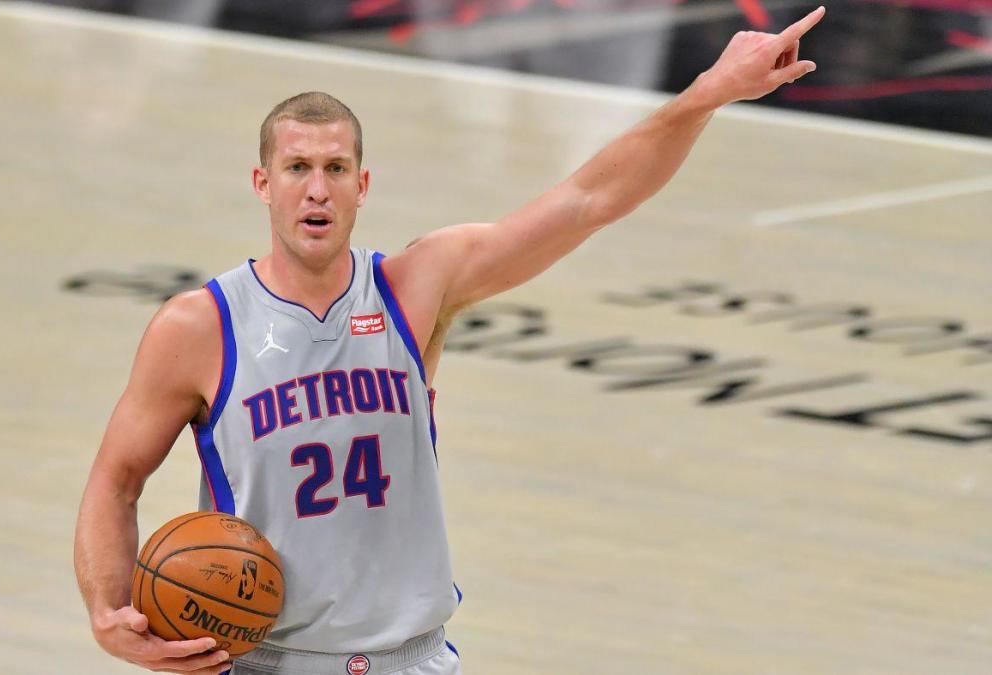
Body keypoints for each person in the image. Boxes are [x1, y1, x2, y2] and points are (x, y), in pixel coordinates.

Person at [74, 8, 826, 673]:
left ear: (362, 185)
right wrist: (109, 613)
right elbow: (116, 479)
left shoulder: (417, 285)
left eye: (336, 168)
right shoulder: (200, 326)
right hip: (268, 662)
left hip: (413, 658)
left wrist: (707, 94)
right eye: (297, 168)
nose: (317, 189)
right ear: (262, 183)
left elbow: (589, 198)